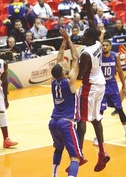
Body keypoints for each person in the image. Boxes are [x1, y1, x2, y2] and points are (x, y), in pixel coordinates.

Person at [77, 0, 110, 172]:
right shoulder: (97, 43)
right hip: (101, 84)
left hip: (90, 87)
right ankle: (102, 152)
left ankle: (79, 154)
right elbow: (91, 18)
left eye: (84, 37)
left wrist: (69, 74)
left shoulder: (86, 53)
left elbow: (80, 76)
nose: (82, 38)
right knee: (96, 119)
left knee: (82, 120)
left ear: (89, 39)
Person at [49, 28, 83, 177]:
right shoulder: (70, 81)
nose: (64, 66)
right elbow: (75, 59)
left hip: (53, 122)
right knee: (75, 157)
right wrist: (68, 40)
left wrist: (63, 43)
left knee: (58, 149)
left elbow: (58, 60)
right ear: (63, 72)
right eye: (63, 68)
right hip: (66, 122)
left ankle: (54, 175)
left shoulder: (52, 81)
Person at [97, 39, 126, 144]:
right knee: (100, 111)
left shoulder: (115, 56)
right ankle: (98, 136)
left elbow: (120, 71)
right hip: (102, 86)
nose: (104, 47)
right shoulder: (98, 57)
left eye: (107, 45)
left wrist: (124, 86)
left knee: (120, 109)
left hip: (112, 86)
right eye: (103, 45)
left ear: (110, 47)